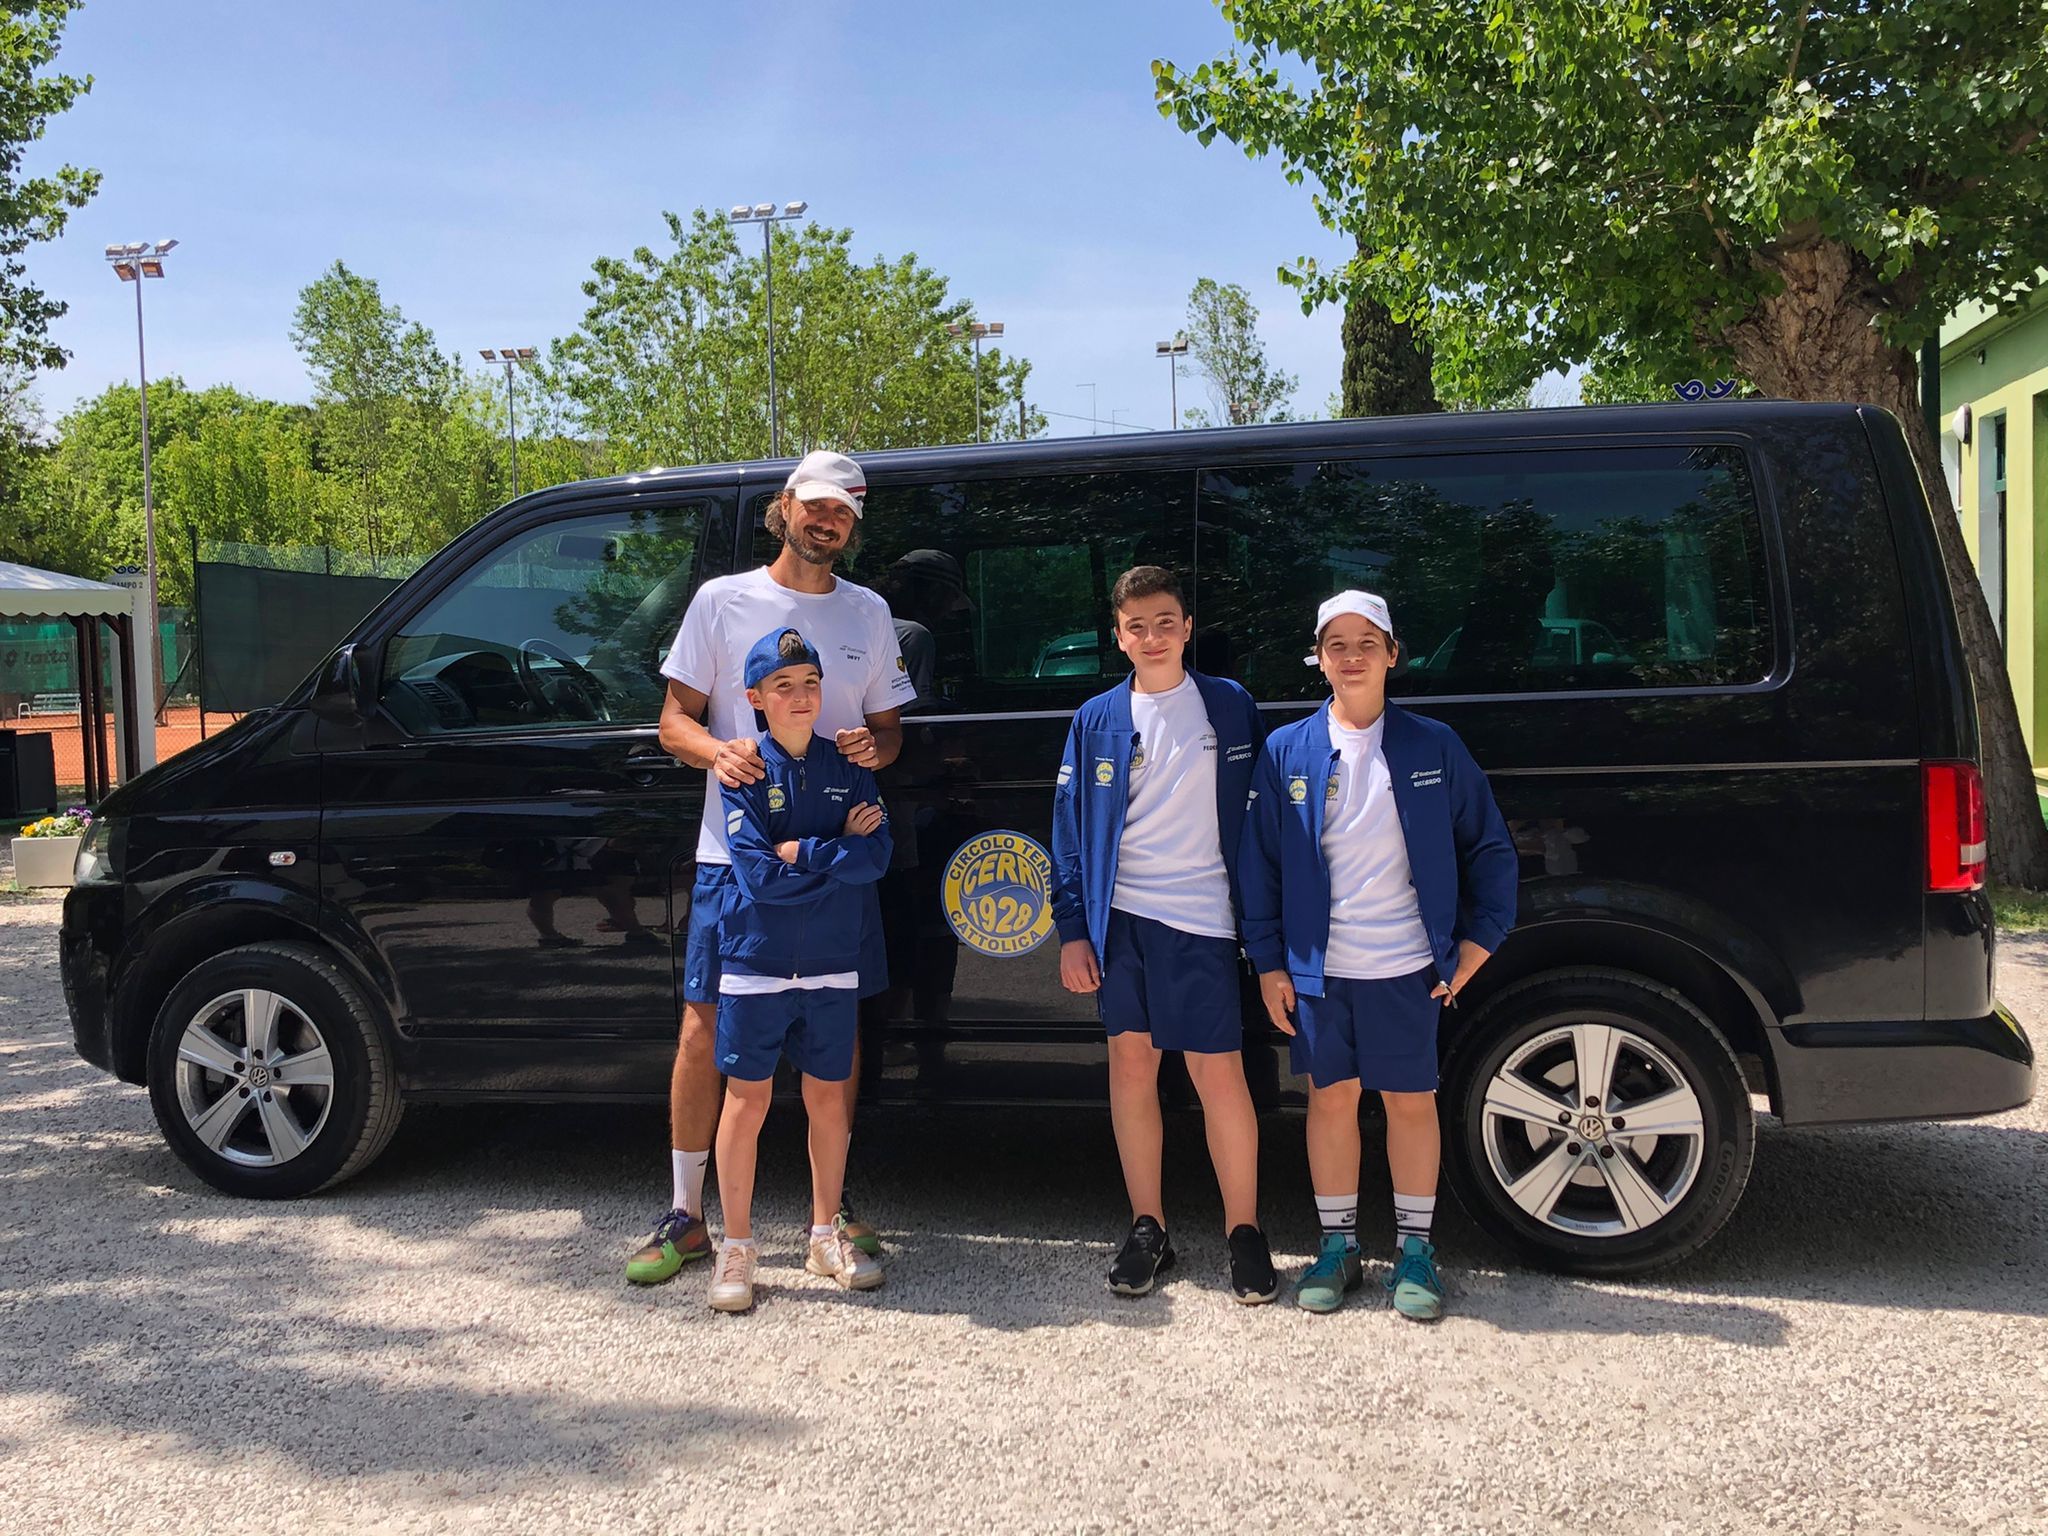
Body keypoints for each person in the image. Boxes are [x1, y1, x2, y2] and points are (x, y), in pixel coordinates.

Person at [625, 450, 916, 1287]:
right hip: (737, 862)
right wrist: (721, 752)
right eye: (817, 506)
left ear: (852, 527)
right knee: (703, 1029)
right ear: (785, 507)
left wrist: (878, 746)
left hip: (840, 867)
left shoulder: (869, 612)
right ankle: (688, 1217)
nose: (829, 522)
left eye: (845, 513)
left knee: (840, 1029)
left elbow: (888, 734)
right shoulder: (723, 601)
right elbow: (672, 721)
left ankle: (830, 1213)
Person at [1239, 590, 1517, 1320]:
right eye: (1337, 644)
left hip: (1406, 969)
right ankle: (1337, 1246)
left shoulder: (1434, 747)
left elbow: (1489, 850)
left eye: (1368, 641)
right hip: (1321, 971)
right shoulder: (1285, 751)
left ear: (1394, 653)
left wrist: (1475, 949)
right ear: (1319, 658)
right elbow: (1260, 865)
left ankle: (1415, 1249)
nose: (1352, 655)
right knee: (1330, 1101)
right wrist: (1270, 962)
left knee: (1409, 1101)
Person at [1051, 564, 1277, 1303]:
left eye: (1166, 621)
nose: (1153, 636)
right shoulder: (1096, 719)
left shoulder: (1230, 706)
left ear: (1187, 626)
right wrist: (1075, 929)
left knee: (1220, 1076)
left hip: (1205, 919)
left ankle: (1244, 1231)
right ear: (1118, 637)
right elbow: (1071, 836)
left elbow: (1267, 817)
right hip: (1122, 924)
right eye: (1137, 626)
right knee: (1132, 1069)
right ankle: (1149, 1227)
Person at [704, 626, 894, 1312]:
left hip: (831, 960)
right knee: (746, 1100)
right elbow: (755, 875)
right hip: (755, 959)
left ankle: (823, 1234)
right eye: (783, 686)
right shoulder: (743, 767)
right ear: (755, 698)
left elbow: (877, 859)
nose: (801, 696)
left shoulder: (849, 762)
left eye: (810, 682)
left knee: (826, 1097)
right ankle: (737, 1245)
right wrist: (835, 850)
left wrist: (803, 853)